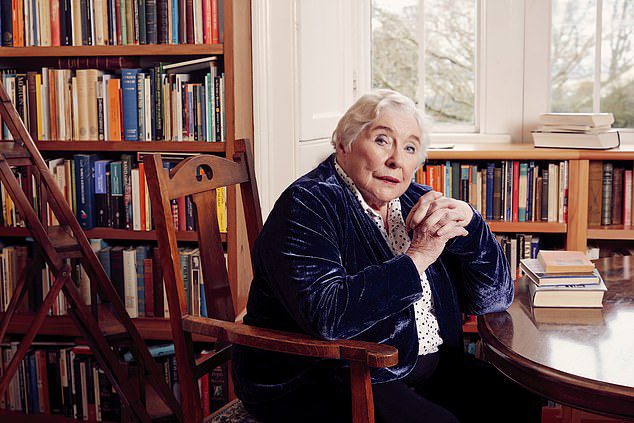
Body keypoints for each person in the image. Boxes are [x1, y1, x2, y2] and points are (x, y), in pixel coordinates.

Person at [232, 89, 542, 422]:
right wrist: (418, 256)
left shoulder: (417, 202)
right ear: (343, 143)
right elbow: (328, 316)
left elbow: (492, 300)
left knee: (519, 399)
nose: (396, 160)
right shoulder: (307, 204)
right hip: (329, 375)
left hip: (418, 367)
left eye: (410, 148)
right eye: (382, 140)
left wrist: (473, 224)